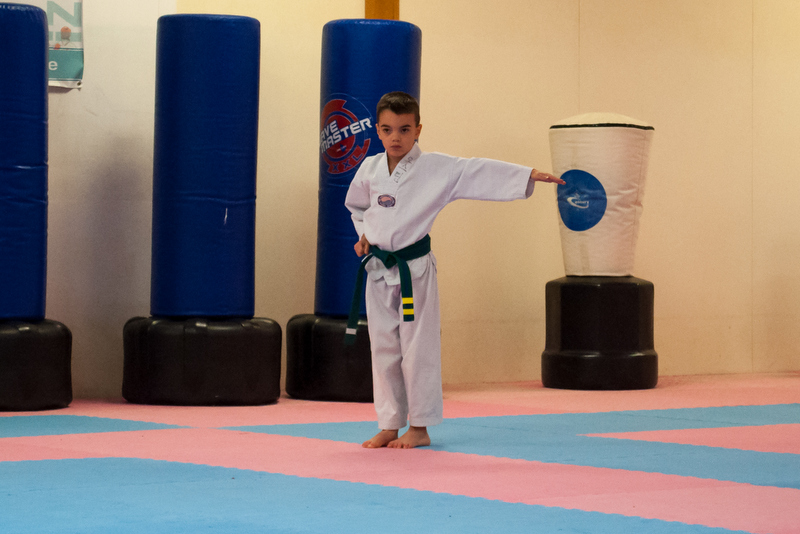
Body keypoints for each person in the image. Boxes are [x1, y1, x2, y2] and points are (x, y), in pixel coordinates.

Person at [344, 92, 564, 449]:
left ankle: (420, 426)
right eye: (387, 129)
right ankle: (389, 423)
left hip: (414, 271)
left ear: (418, 130)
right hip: (379, 270)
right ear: (378, 131)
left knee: (418, 350)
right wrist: (364, 236)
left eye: (404, 129)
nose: (396, 137)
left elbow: (474, 170)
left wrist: (527, 175)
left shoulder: (436, 168)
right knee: (382, 348)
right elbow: (357, 208)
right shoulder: (369, 168)